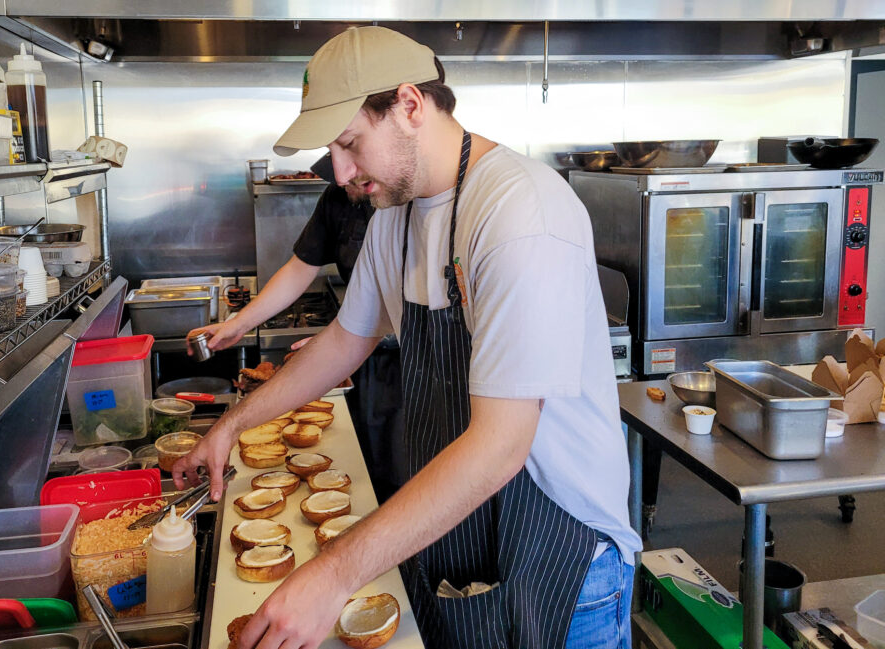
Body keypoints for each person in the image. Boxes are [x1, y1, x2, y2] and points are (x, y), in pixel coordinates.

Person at [172, 25, 641, 649]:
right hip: (455, 535)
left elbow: (502, 446)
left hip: (562, 558)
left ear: (410, 106)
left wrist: (334, 572)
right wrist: (231, 425)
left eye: (349, 144)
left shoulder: (519, 213)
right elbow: (345, 340)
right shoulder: (395, 215)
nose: (340, 172)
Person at [186, 154, 406, 500]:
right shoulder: (337, 196)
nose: (342, 180)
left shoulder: (408, 203)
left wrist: (340, 340)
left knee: (398, 469)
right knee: (354, 455)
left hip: (406, 363)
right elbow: (301, 267)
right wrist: (238, 323)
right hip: (357, 357)